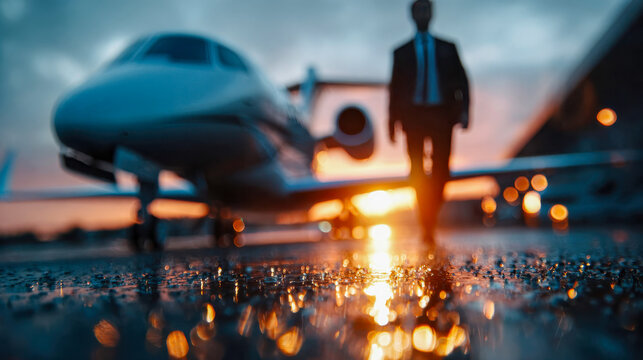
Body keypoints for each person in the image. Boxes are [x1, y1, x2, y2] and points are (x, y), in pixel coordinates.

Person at [388, 0, 470, 243]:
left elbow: (463, 81)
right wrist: (391, 122)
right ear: (411, 15)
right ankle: (427, 223)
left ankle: (430, 214)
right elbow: (394, 89)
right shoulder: (400, 52)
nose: (423, 14)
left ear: (432, 14)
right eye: (418, 10)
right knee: (416, 172)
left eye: (426, 9)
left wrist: (465, 111)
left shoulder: (448, 47)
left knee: (441, 171)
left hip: (442, 115)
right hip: (413, 117)